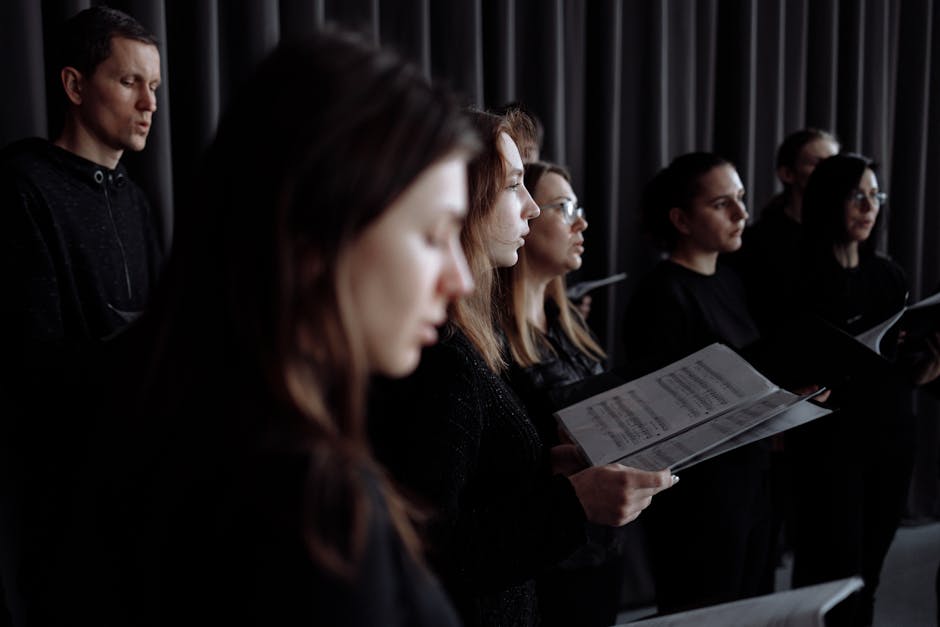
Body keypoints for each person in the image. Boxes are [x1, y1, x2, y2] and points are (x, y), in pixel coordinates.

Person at [38, 31, 481, 626]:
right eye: (432, 235)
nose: (460, 280)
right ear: (315, 236)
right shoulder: (305, 506)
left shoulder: (169, 420)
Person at [369, 110, 675, 627]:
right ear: (460, 203)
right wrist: (572, 503)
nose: (530, 207)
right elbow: (426, 551)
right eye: (514, 185)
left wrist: (545, 473)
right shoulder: (439, 355)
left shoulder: (465, 336)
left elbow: (473, 486)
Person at [0, 7, 163, 624]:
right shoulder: (22, 188)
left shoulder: (136, 201)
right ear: (74, 85)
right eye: (129, 81)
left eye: (154, 86)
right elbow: (32, 361)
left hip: (127, 494)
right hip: (54, 506)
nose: (149, 103)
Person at [621, 152, 773, 614]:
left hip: (751, 477)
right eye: (722, 204)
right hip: (699, 498)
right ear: (681, 220)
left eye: (741, 199)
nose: (742, 213)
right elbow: (662, 415)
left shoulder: (731, 280)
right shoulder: (661, 295)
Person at [499, 160, 629, 627]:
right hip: (545, 563)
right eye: (563, 207)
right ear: (524, 216)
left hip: (602, 544)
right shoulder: (491, 339)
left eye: (579, 208)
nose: (581, 223)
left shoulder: (570, 324)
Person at [787, 153, 915, 627]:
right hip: (830, 446)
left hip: (892, 439)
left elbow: (896, 361)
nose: (869, 206)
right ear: (829, 200)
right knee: (828, 573)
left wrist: (922, 366)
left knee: (870, 572)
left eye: (875, 195)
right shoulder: (798, 277)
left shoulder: (889, 274)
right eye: (857, 196)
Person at [734, 128, 840, 335]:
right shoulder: (757, 241)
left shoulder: (845, 237)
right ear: (787, 174)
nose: (831, 173)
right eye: (818, 164)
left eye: (835, 164)